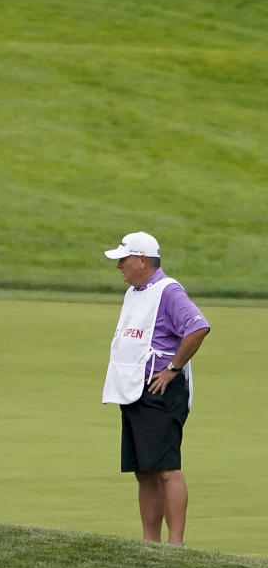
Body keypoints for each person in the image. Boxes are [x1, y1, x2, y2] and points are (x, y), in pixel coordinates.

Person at [102, 231, 210, 545]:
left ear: (143, 260)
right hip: (134, 390)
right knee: (144, 470)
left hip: (160, 391)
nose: (119, 266)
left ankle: (176, 544)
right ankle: (151, 542)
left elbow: (198, 327)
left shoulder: (168, 290)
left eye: (123, 260)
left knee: (166, 469)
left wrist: (173, 369)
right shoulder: (134, 293)